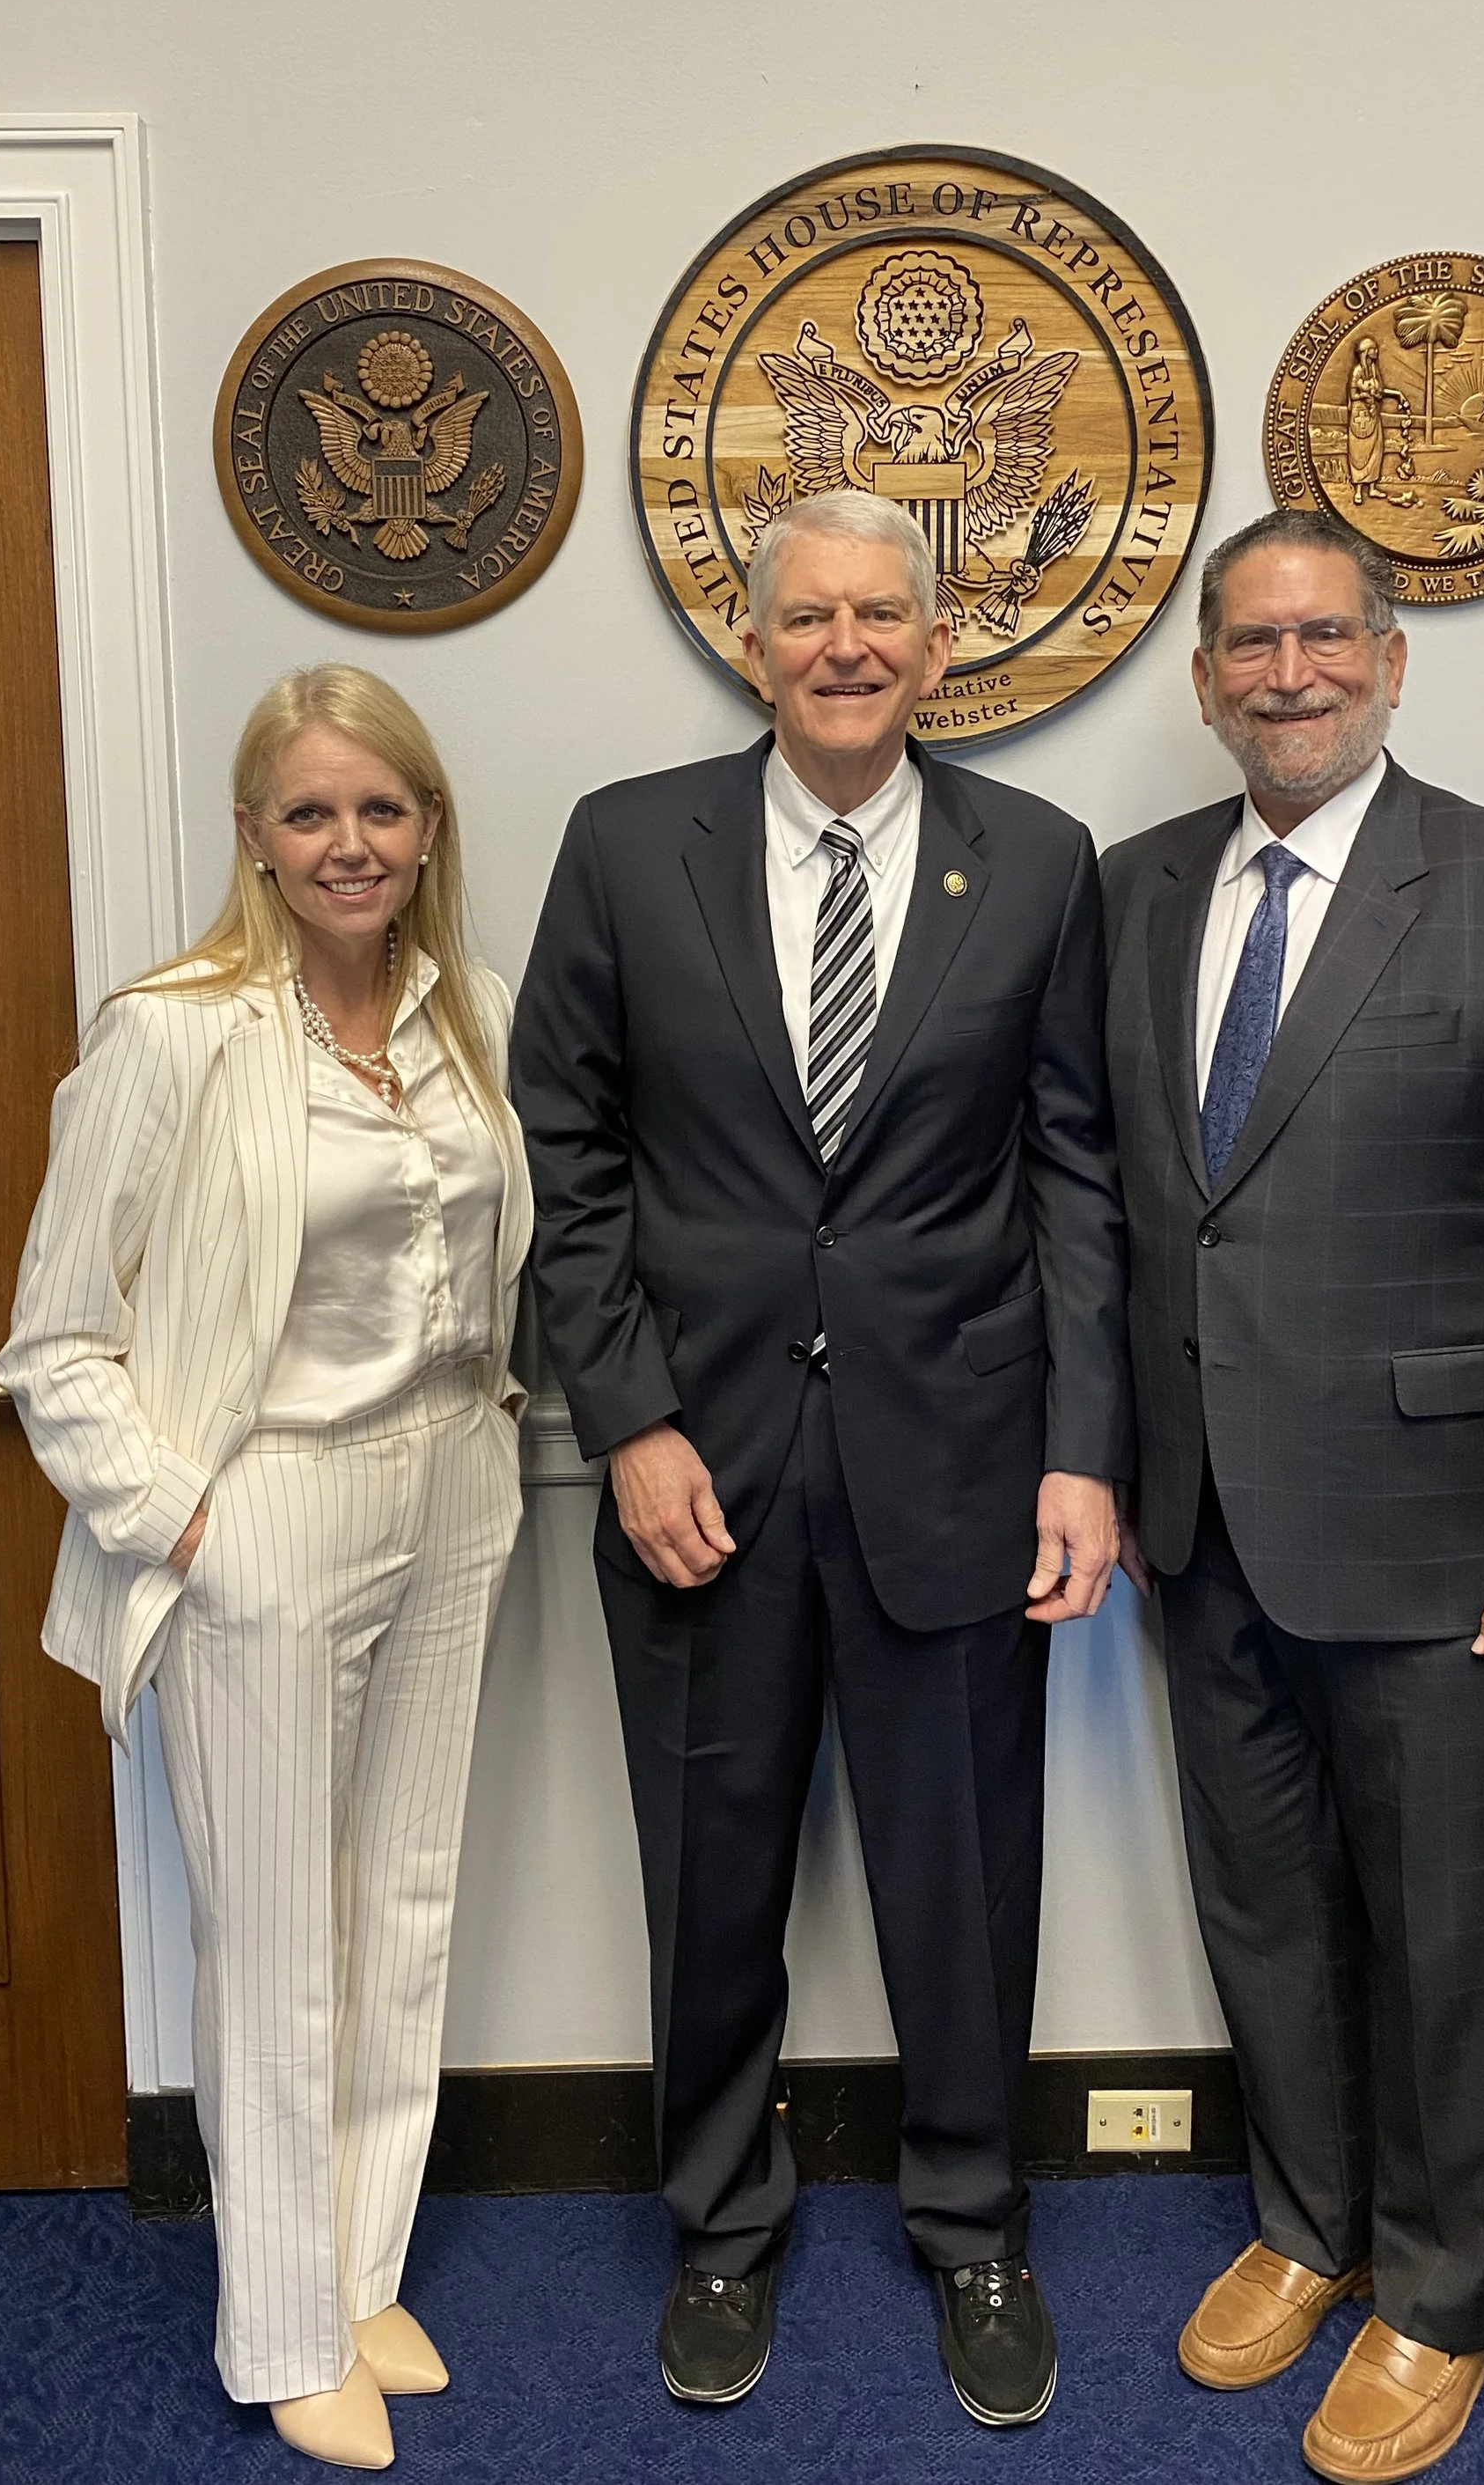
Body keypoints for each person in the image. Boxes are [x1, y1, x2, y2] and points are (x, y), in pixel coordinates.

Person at [511, 489, 1131, 2428]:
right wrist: (622, 1420)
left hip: (956, 1459)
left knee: (962, 1880)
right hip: (696, 1468)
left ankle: (973, 2224)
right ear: (748, 641)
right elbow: (567, 1151)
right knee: (709, 1878)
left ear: (938, 648)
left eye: (883, 614)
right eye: (808, 616)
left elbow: (1074, 1173)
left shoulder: (1037, 860)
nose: (845, 644)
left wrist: (1082, 1449)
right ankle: (716, 2219)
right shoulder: (624, 847)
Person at [1101, 512, 1484, 2482]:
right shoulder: (1137, 889)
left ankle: (1445, 2293)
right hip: (1204, 1526)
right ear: (1200, 680)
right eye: (1247, 645)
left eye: (1322, 637)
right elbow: (1124, 1204)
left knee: (1438, 1933)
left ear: (1390, 658)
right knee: (1261, 1909)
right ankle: (1306, 2223)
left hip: (1447, 1543)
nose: (1286, 674)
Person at [0, 666, 533, 2473]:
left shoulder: (470, 1017)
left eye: (380, 808)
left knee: (406, 1898)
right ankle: (282, 2326)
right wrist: (177, 1517)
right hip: (267, 1506)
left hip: (456, 1479)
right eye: (308, 812)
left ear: (427, 825)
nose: (348, 842)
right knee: (278, 1937)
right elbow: (53, 1338)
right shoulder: (174, 1032)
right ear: (252, 836)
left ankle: (362, 2264)